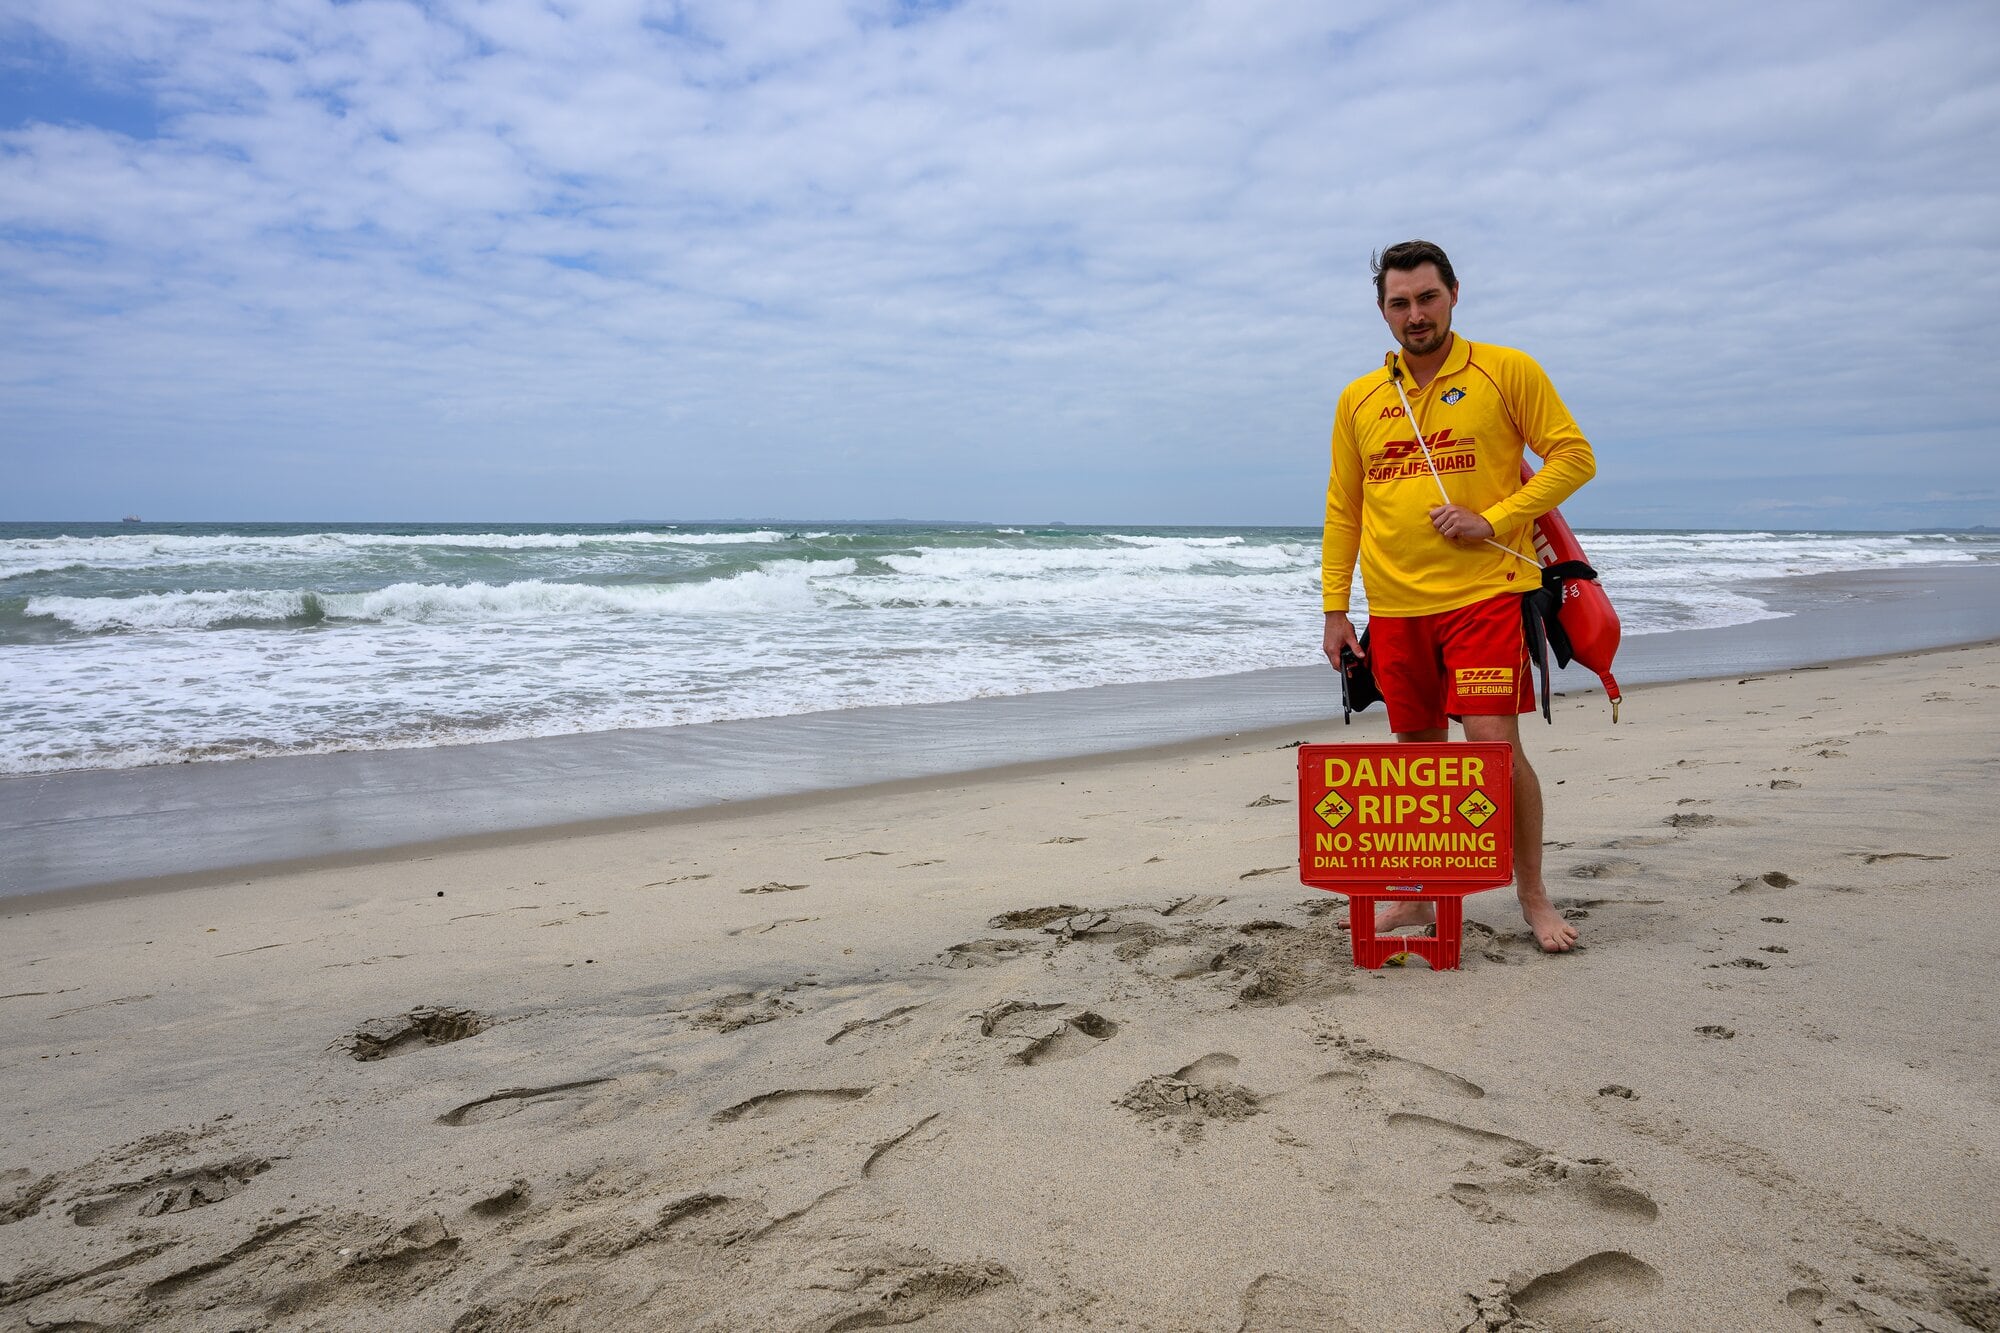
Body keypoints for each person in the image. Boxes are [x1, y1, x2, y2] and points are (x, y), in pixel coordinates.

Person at [1320, 240, 1596, 952]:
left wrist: (1496, 518)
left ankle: (1531, 893)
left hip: (1487, 592)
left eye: (1427, 298)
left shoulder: (1506, 370)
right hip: (1396, 606)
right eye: (1400, 303)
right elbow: (1343, 509)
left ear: (1454, 293)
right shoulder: (1360, 398)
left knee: (1490, 745)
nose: (1416, 315)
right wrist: (1334, 609)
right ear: (1382, 310)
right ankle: (1418, 899)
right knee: (1417, 756)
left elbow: (1574, 455)